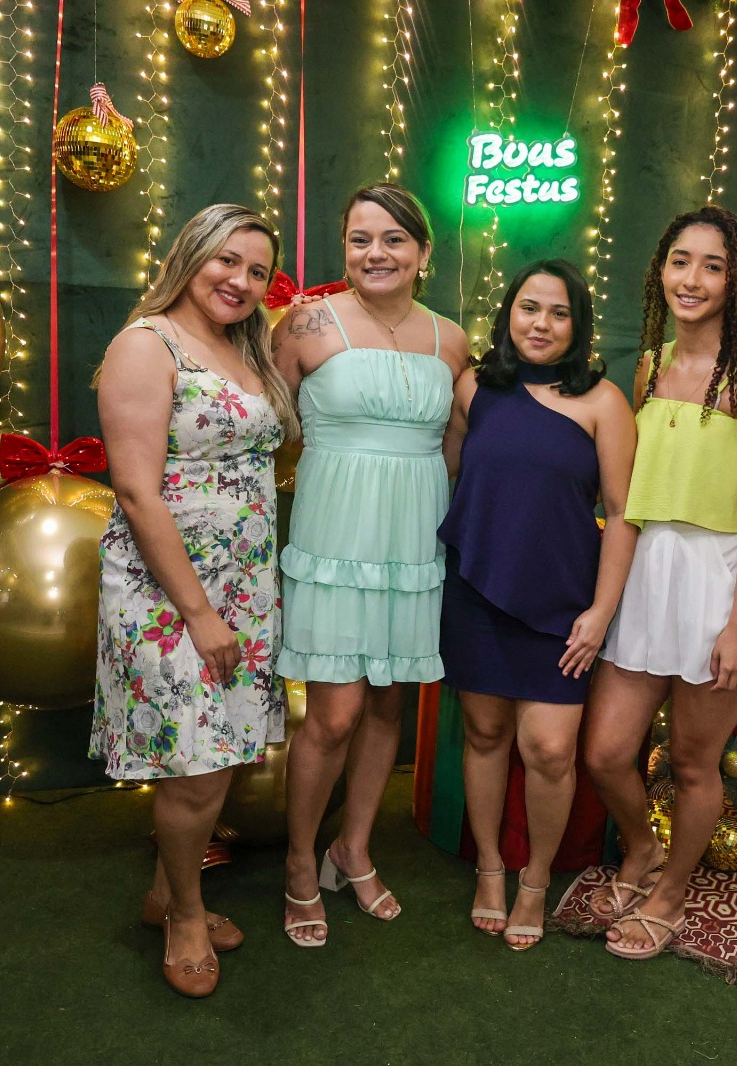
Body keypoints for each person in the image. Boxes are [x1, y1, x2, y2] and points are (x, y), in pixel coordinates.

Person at [90, 204, 299, 997]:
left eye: (257, 271)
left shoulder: (245, 347)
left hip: (245, 585)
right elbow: (136, 492)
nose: (241, 281)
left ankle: (163, 891)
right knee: (195, 768)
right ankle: (184, 914)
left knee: (221, 755)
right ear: (192, 255)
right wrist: (201, 614)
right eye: (227, 260)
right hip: (168, 593)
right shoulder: (147, 344)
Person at [582, 205, 737, 960]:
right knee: (606, 752)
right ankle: (641, 848)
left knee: (695, 763)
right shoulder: (649, 366)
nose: (692, 279)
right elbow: (630, 493)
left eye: (712, 265)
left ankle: (670, 892)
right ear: (660, 271)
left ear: (736, 283)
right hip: (647, 575)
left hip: (716, 579)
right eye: (680, 261)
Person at [273, 184, 469, 947]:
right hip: (336, 536)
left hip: (413, 538)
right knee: (333, 714)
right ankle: (299, 862)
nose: (375, 253)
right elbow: (264, 426)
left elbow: (453, 447)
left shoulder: (450, 339)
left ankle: (351, 849)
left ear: (422, 252)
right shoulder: (306, 324)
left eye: (393, 239)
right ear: (344, 247)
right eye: (360, 239)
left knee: (389, 705)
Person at [438, 260, 639, 950]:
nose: (541, 324)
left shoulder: (604, 402)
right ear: (508, 314)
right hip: (476, 588)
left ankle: (536, 878)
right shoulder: (474, 387)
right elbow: (449, 469)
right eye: (529, 308)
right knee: (485, 735)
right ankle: (490, 867)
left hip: (562, 602)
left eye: (559, 313)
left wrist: (601, 611)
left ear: (579, 326)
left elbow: (623, 513)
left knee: (551, 751)